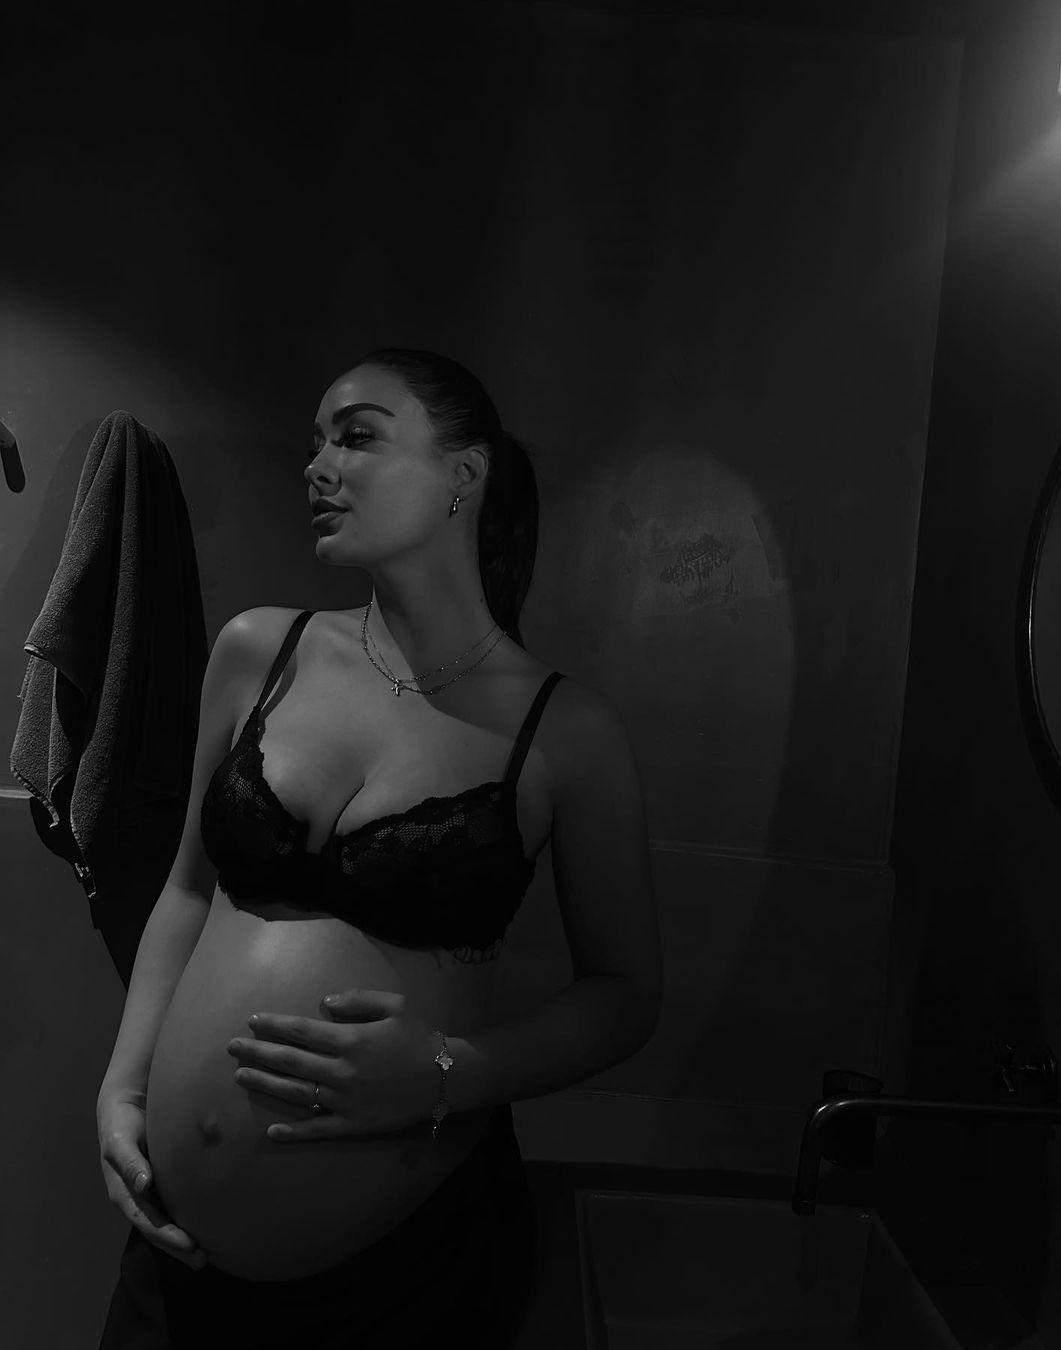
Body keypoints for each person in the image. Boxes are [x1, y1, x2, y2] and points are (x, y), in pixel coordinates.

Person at [95, 348, 663, 1348]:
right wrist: (123, 1085)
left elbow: (625, 995)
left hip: (407, 1276)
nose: (317, 466)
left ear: (462, 476)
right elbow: (186, 892)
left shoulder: (568, 734)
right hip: (179, 1262)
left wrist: (449, 1071)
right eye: (316, 442)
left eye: (356, 437)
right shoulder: (258, 650)